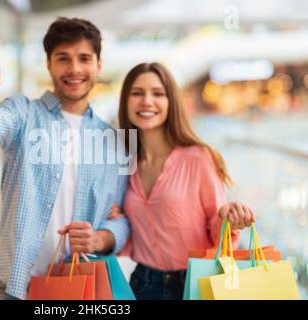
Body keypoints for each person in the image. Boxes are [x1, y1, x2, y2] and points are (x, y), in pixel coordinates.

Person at [0, 17, 130, 300]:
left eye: (84, 58)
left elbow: (121, 218)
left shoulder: (113, 141)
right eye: (63, 58)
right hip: (18, 289)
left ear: (99, 64)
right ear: (48, 64)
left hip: (82, 288)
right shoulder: (23, 112)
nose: (74, 69)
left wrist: (100, 238)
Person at [108, 62, 256, 300]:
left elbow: (217, 230)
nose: (147, 101)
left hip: (194, 283)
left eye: (158, 93)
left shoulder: (198, 158)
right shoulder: (126, 164)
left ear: (171, 103)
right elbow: (134, 233)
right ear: (126, 101)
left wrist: (227, 217)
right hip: (143, 284)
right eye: (137, 93)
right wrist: (115, 216)